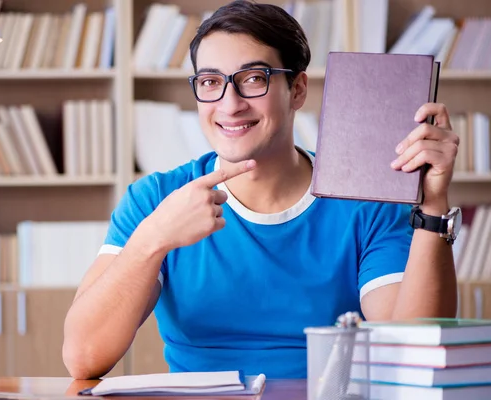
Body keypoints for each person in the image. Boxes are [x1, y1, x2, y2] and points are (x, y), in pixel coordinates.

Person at [62, 0, 460, 380]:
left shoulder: (366, 200)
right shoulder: (155, 200)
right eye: (211, 81)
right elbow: (83, 357)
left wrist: (433, 204)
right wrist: (153, 238)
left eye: (254, 79)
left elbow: (414, 353)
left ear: (298, 90)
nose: (229, 104)